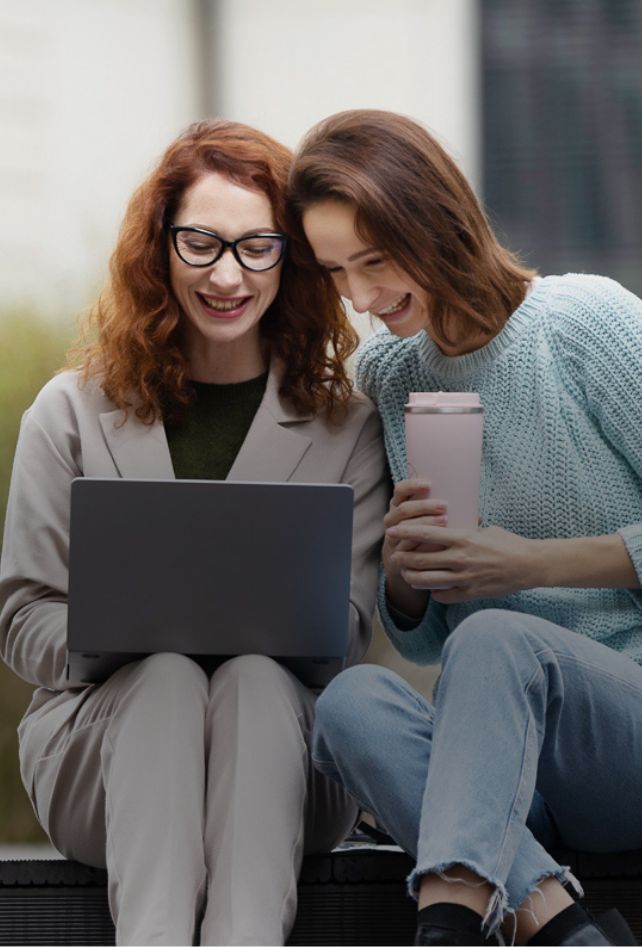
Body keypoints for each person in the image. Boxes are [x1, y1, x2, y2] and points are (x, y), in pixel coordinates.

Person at [0, 118, 389, 946]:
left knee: (250, 678)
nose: (227, 274)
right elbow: (19, 611)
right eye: (201, 242)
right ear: (159, 247)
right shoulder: (68, 414)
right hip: (103, 752)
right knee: (169, 679)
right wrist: (117, 636)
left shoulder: (346, 428)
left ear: (291, 259)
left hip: (288, 754)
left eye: (256, 247)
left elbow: (349, 631)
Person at [285, 108, 642, 946]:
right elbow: (431, 638)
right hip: (516, 773)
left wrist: (532, 562)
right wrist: (409, 576)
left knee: (500, 641)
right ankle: (561, 927)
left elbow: (495, 628)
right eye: (337, 271)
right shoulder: (393, 375)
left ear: (432, 216)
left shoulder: (583, 324)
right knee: (350, 703)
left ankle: (446, 929)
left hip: (626, 733)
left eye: (374, 260)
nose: (361, 298)